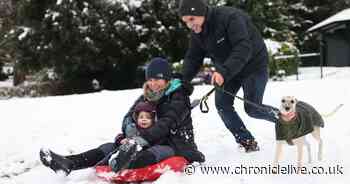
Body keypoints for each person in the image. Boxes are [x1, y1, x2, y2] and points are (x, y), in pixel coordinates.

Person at [39, 57, 204, 175]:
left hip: (174, 146)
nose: (154, 83)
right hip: (145, 141)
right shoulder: (147, 96)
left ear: (167, 80)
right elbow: (128, 118)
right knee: (108, 147)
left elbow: (166, 124)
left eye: (158, 79)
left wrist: (138, 141)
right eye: (150, 79)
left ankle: (121, 160)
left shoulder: (179, 97)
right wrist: (129, 135)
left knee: (143, 155)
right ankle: (69, 163)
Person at [178, 0, 279, 152]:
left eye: (191, 19)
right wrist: (181, 79)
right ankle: (247, 142)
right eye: (185, 21)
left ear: (201, 12)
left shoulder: (230, 17)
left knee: (252, 108)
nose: (189, 25)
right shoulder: (198, 32)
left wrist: (224, 71)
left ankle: (288, 119)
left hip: (253, 66)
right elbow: (193, 58)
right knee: (222, 105)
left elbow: (243, 48)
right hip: (227, 71)